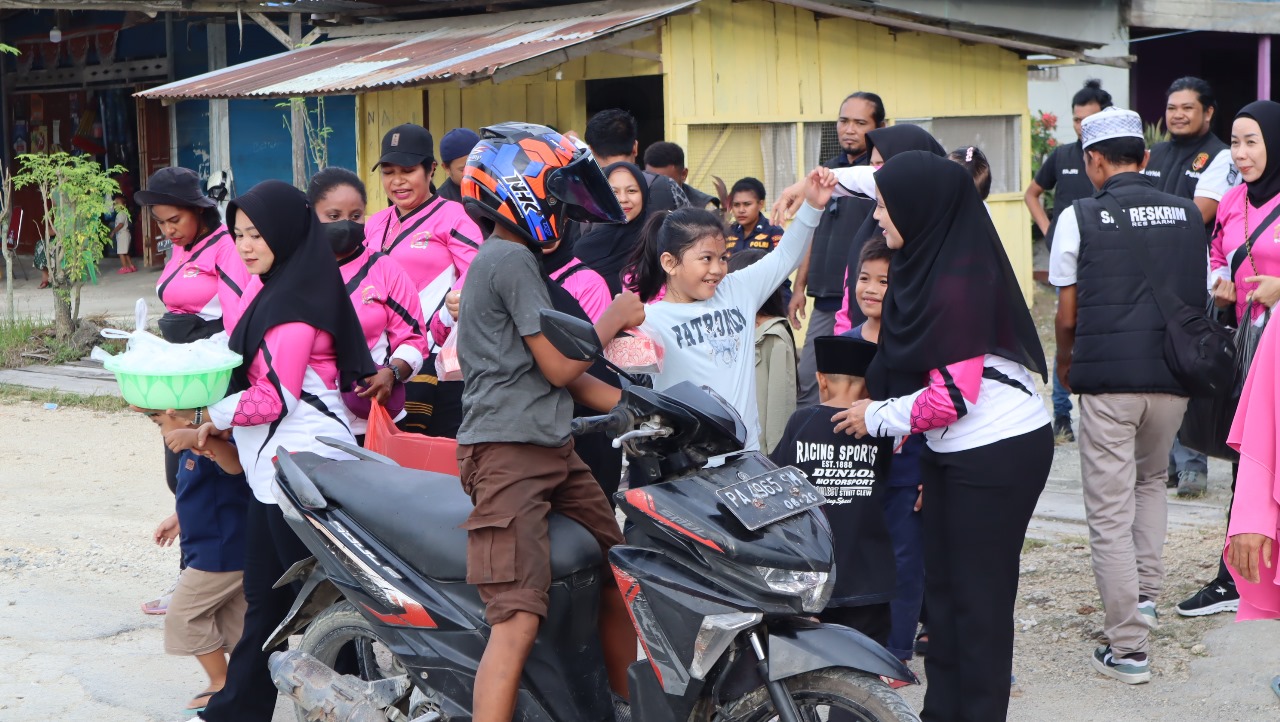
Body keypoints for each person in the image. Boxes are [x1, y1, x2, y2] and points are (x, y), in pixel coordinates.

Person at [835, 150, 1051, 720]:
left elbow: (952, 398)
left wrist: (875, 416)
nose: (876, 215)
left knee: (978, 604)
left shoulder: (955, 284)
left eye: (885, 206)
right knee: (946, 599)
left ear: (917, 210)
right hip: (953, 447)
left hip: (998, 450)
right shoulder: (927, 262)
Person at [454, 122, 644, 722]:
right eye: (558, 198)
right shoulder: (509, 259)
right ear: (524, 194)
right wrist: (615, 316)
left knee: (617, 573)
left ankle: (623, 708)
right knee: (516, 617)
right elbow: (563, 364)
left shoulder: (516, 260)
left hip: (551, 448)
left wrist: (645, 409)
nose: (565, 213)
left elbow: (560, 376)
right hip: (506, 453)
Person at [191, 180, 377, 721]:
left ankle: (357, 702)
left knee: (318, 603)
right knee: (269, 601)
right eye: (238, 234)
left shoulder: (293, 307)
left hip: (300, 471)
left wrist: (211, 415)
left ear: (286, 233)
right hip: (276, 475)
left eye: (257, 234)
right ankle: (240, 708)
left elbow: (274, 398)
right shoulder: (280, 288)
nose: (245, 246)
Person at [1050, 107, 1207, 684]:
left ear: (1093, 161)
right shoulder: (1188, 213)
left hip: (1109, 385)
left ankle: (1129, 649)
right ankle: (1145, 599)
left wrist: (1065, 362)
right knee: (1150, 482)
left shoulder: (1079, 216)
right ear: (1144, 157)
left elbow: (1067, 312)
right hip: (1172, 380)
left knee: (1110, 512)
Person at [621, 167, 835, 453]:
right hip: (688, 463)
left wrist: (812, 206)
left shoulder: (738, 290)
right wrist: (615, 324)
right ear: (670, 263)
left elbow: (786, 256)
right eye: (706, 259)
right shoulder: (651, 320)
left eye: (722, 258)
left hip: (746, 454)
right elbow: (621, 378)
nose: (717, 269)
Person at [1181, 100, 1280, 619]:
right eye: (1235, 142)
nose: (1240, 154)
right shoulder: (1234, 200)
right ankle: (1235, 577)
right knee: (1249, 461)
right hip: (1245, 348)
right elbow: (1219, 254)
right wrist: (1219, 281)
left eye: (1252, 142)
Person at [135, 165, 249, 616]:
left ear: (199, 210)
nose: (168, 230)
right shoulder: (182, 249)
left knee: (207, 475)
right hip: (182, 377)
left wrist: (210, 362)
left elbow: (238, 319)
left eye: (174, 220)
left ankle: (203, 580)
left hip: (213, 377)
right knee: (180, 475)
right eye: (160, 222)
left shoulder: (226, 248)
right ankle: (195, 575)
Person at [1144, 78, 1238, 498]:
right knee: (1155, 372)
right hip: (1149, 277)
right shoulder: (1156, 153)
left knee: (1188, 368)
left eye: (1187, 108)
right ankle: (1163, 463)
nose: (1178, 115)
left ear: (1208, 112)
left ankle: (1192, 465)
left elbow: (1199, 213)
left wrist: (1144, 219)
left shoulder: (1219, 156)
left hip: (1192, 282)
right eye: (1172, 107)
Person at [770, 337, 895, 649]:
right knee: (868, 659)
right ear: (868, 385)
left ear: (821, 380)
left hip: (814, 574)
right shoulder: (881, 429)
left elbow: (775, 478)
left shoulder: (802, 421)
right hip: (870, 574)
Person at [364, 123, 484, 438]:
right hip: (377, 360)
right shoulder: (375, 224)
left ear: (431, 170)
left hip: (435, 356)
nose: (397, 181)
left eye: (408, 170)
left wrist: (451, 308)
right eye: (388, 172)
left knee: (428, 448)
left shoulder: (455, 216)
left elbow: (479, 269)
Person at [842, 235, 926, 666]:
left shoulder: (916, 346)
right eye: (864, 278)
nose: (871, 289)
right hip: (856, 473)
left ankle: (897, 651)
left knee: (905, 559)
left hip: (907, 471)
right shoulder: (846, 342)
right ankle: (856, 644)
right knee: (859, 556)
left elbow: (933, 413)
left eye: (884, 281)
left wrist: (929, 473)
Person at [308, 167, 429, 440]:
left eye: (356, 216)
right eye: (333, 216)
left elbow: (413, 338)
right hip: (311, 422)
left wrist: (393, 372)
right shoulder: (291, 271)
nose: (346, 224)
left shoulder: (384, 268)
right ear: (312, 215)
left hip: (374, 419)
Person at [1025, 79, 1113, 442]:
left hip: (1107, 260)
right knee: (1066, 328)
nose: (1080, 126)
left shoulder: (1115, 159)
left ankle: (1101, 410)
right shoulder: (1062, 156)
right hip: (1068, 262)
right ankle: (1062, 415)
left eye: (1087, 119)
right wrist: (1049, 230)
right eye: (1076, 119)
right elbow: (1032, 194)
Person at [146, 410, 249, 715]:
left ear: (178, 414)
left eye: (160, 423)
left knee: (184, 616)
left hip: (219, 555)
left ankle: (221, 682)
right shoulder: (189, 449)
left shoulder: (213, 443)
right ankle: (248, 683)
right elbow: (204, 491)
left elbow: (234, 465)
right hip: (216, 549)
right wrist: (178, 518)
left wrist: (199, 439)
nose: (162, 433)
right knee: (236, 623)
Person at [790, 92, 885, 406]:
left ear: (880, 127)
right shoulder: (826, 174)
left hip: (865, 300)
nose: (849, 129)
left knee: (860, 386)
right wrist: (799, 287)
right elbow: (811, 233)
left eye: (860, 123)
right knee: (810, 381)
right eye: (844, 121)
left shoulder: (879, 178)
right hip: (824, 297)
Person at [728, 249, 795, 454]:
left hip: (758, 455)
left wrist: (773, 459)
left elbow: (780, 407)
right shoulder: (730, 328)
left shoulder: (774, 336)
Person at [583, 109, 688, 212]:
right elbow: (689, 220)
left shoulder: (580, 192)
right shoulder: (668, 187)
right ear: (635, 147)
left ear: (590, 151)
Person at [576, 162, 651, 296]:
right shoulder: (584, 248)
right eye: (613, 192)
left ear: (644, 193)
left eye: (631, 191)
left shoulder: (658, 239)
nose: (623, 199)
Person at [643, 140, 720, 211]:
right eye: (652, 181)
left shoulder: (706, 208)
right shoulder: (638, 203)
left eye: (665, 182)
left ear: (684, 174)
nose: (657, 187)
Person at [725, 177, 785, 254]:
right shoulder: (728, 232)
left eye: (747, 204)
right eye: (736, 205)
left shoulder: (774, 232)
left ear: (760, 204)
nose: (741, 210)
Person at [437, 127, 481, 203]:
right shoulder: (441, 203)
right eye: (463, 169)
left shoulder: (498, 187)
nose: (473, 174)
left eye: (477, 166)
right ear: (446, 168)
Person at [111, 192, 136, 274]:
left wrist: (113, 231)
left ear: (124, 205)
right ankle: (131, 266)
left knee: (121, 253)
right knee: (125, 252)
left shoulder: (121, 214)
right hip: (125, 234)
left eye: (118, 204)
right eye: (115, 204)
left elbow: (120, 224)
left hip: (122, 234)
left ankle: (125, 267)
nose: (116, 206)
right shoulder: (124, 213)